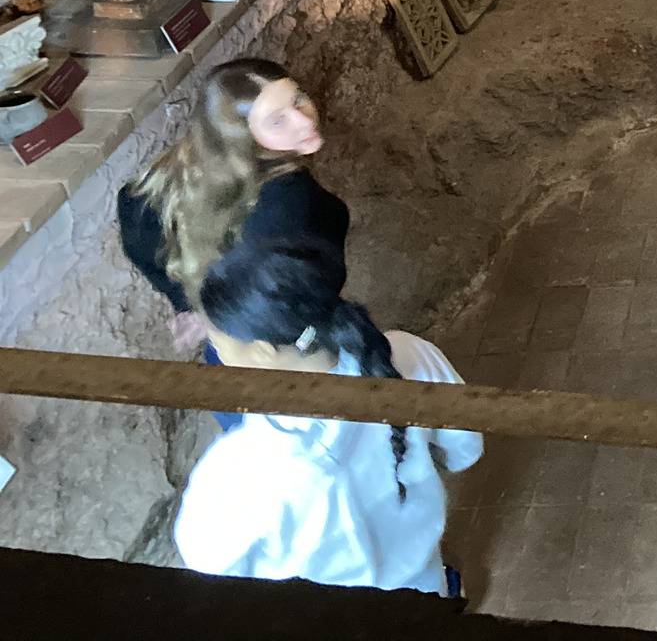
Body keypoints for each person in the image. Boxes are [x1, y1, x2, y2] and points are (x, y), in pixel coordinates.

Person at [174, 240, 483, 592]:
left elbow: (207, 566)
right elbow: (465, 449)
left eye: (217, 346)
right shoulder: (405, 352)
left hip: (334, 615)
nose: (218, 356)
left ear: (263, 351)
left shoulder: (234, 472)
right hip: (425, 579)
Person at [119, 58, 348, 360]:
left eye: (298, 100)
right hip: (282, 347)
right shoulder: (292, 200)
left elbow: (134, 207)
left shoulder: (172, 170)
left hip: (226, 341)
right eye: (277, 121)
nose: (304, 121)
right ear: (243, 135)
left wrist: (193, 307)